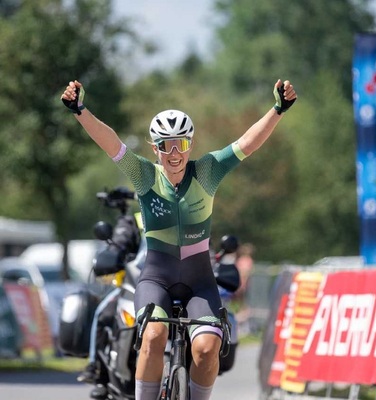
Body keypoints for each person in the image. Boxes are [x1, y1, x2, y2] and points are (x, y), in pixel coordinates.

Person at [61, 78, 296, 400]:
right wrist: (80, 110)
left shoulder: (208, 172)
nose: (174, 154)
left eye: (181, 145)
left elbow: (247, 143)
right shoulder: (144, 174)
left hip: (199, 281)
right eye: (165, 145)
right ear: (154, 148)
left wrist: (278, 109)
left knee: (206, 348)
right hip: (157, 277)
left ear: (190, 144)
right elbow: (110, 142)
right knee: (155, 335)